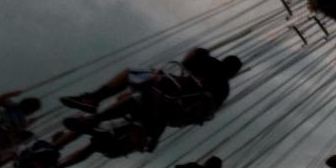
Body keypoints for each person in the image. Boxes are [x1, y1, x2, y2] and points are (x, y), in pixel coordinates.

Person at [62, 49, 241, 134]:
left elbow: (186, 61)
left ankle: (94, 100)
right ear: (233, 73)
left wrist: (200, 53)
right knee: (137, 100)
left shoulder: (211, 64)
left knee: (131, 74)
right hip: (176, 114)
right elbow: (208, 114)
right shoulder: (224, 90)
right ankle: (95, 122)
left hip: (170, 93)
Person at [55, 117, 162, 168]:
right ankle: (62, 164)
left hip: (116, 145)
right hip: (113, 142)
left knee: (94, 143)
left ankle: (62, 163)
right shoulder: (131, 122)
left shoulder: (145, 129)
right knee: (92, 147)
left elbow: (146, 144)